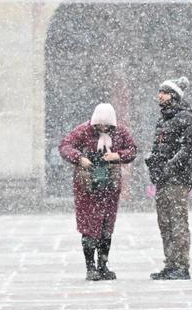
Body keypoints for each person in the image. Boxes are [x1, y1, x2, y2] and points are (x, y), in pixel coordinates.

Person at [59, 103, 137, 281]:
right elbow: (65, 146)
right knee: (89, 227)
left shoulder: (120, 132)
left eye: (106, 125)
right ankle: (90, 267)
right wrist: (80, 158)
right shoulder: (83, 131)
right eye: (99, 124)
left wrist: (117, 156)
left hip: (110, 186)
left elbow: (132, 150)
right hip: (87, 187)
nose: (102, 128)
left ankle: (103, 265)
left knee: (106, 227)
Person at [145, 76, 192, 280]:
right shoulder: (163, 120)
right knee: (165, 223)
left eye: (164, 92)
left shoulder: (185, 117)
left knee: (177, 222)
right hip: (162, 180)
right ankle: (170, 263)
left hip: (177, 180)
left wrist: (171, 165)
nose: (159, 95)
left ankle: (181, 265)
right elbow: (158, 148)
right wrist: (154, 164)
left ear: (174, 96)